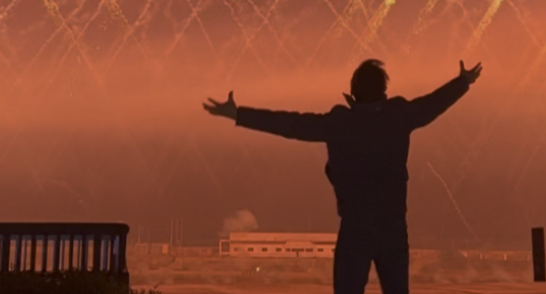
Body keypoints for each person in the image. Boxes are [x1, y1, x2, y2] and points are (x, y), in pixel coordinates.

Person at [202, 58, 482, 294]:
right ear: (384, 90)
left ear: (352, 91)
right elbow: (433, 104)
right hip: (393, 227)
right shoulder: (399, 115)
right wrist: (463, 82)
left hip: (355, 228)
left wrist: (238, 114)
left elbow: (289, 124)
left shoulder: (340, 123)